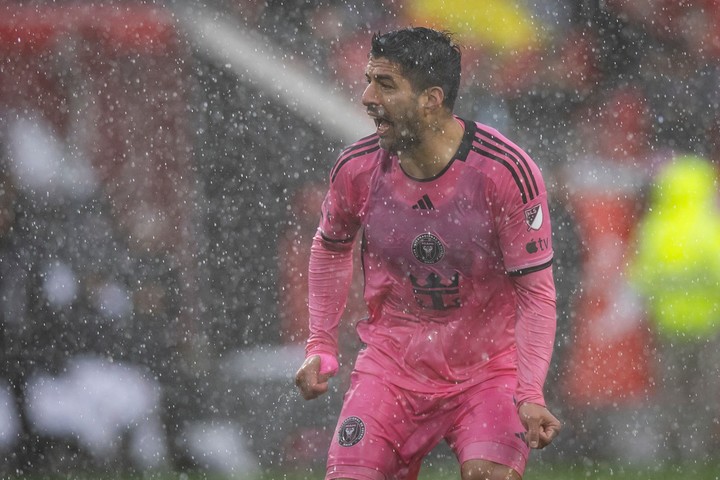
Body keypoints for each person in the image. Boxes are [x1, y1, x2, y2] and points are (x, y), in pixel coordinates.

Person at [295, 27, 561, 480]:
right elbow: (330, 248)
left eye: (385, 84)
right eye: (367, 79)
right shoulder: (356, 168)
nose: (366, 97)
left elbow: (536, 292)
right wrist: (321, 341)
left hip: (487, 374)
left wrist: (530, 391)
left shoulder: (505, 171)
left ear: (431, 99)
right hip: (390, 370)